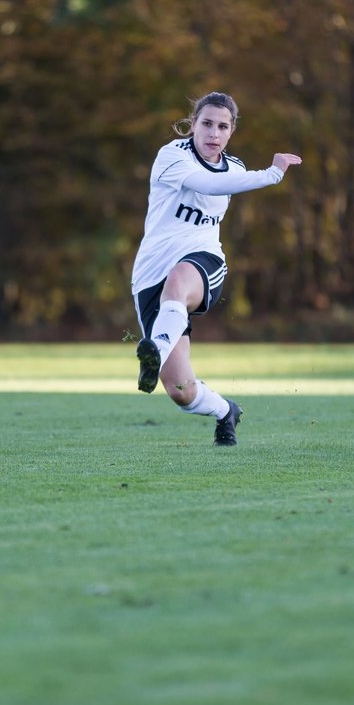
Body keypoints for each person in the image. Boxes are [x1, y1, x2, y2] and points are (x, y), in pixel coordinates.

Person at [130, 92, 302, 446]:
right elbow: (207, 183)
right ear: (193, 125)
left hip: (203, 260)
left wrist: (268, 175)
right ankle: (226, 411)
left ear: (231, 131)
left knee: (179, 279)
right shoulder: (171, 156)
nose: (213, 133)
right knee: (181, 390)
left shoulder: (235, 167)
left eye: (222, 126)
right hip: (150, 272)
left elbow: (225, 180)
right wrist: (271, 174)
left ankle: (154, 349)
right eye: (206, 124)